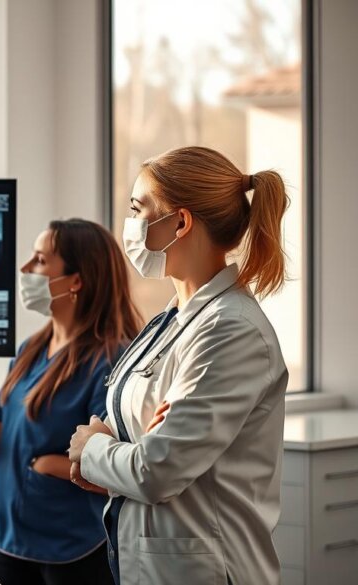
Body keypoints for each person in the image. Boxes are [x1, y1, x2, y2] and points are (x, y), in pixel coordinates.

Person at [68, 146, 290, 585]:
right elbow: (136, 442)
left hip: (207, 570)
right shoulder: (175, 319)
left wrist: (92, 450)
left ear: (181, 222)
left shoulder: (232, 330)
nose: (130, 223)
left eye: (138, 209)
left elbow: (156, 470)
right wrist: (119, 456)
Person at [0, 219, 142, 585]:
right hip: (8, 543)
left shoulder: (109, 360)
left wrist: (50, 466)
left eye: (39, 260)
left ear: (75, 281)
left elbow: (122, 468)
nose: (24, 269)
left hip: (73, 551)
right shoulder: (30, 350)